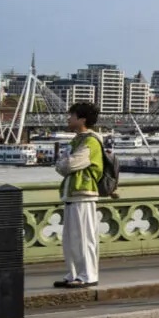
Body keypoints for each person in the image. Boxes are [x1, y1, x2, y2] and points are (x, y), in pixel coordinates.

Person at [54, 101, 105, 289]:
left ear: (82, 119)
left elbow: (69, 165)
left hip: (84, 193)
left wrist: (64, 162)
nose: (68, 118)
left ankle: (88, 275)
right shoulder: (77, 140)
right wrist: (64, 163)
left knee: (84, 237)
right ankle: (73, 274)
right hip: (71, 194)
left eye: (72, 115)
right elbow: (63, 165)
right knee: (70, 239)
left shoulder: (91, 141)